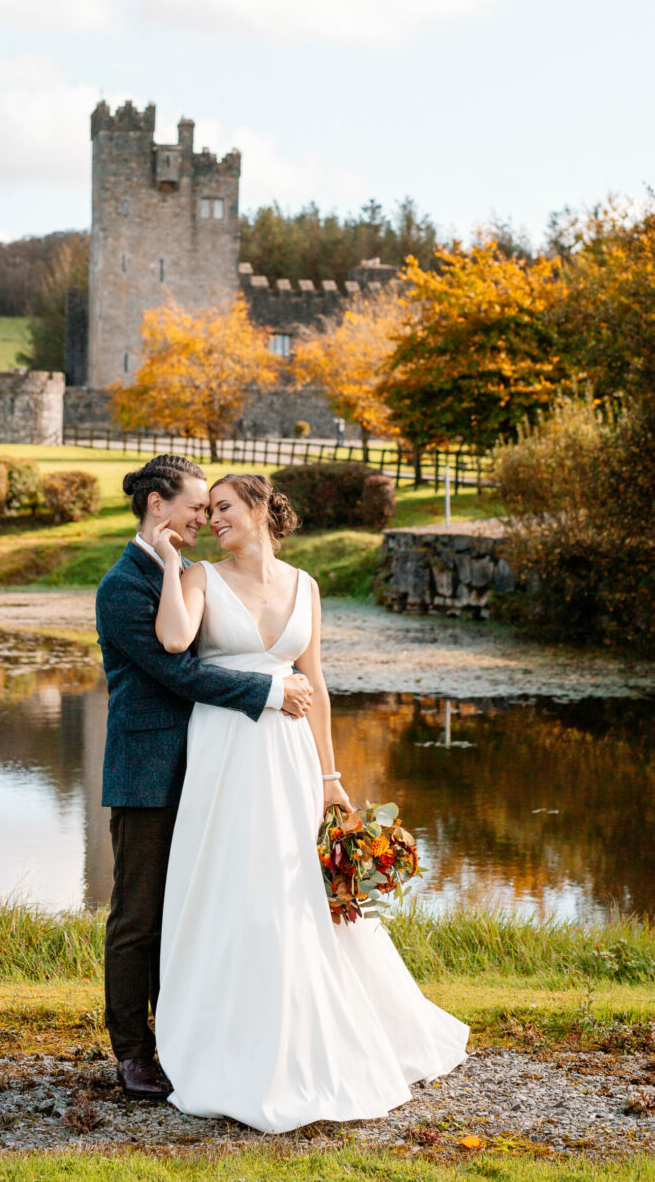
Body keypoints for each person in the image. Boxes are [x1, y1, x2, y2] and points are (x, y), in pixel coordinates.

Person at [151, 473, 469, 1132]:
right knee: (234, 886)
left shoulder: (307, 586)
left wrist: (331, 778)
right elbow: (176, 644)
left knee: (298, 888)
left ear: (264, 510)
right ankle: (225, 1037)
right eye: (208, 511)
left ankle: (314, 1025)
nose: (213, 520)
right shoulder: (199, 578)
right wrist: (165, 562)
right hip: (226, 754)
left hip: (293, 756)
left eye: (225, 508)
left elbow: (316, 685)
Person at [95, 455, 314, 1102]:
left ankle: (191, 1039)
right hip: (148, 772)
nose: (202, 520)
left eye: (212, 508)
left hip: (211, 770)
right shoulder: (123, 585)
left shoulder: (187, 574)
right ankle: (133, 1053)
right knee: (138, 919)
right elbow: (178, 675)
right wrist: (271, 692)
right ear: (156, 506)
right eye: (195, 507)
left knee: (197, 913)